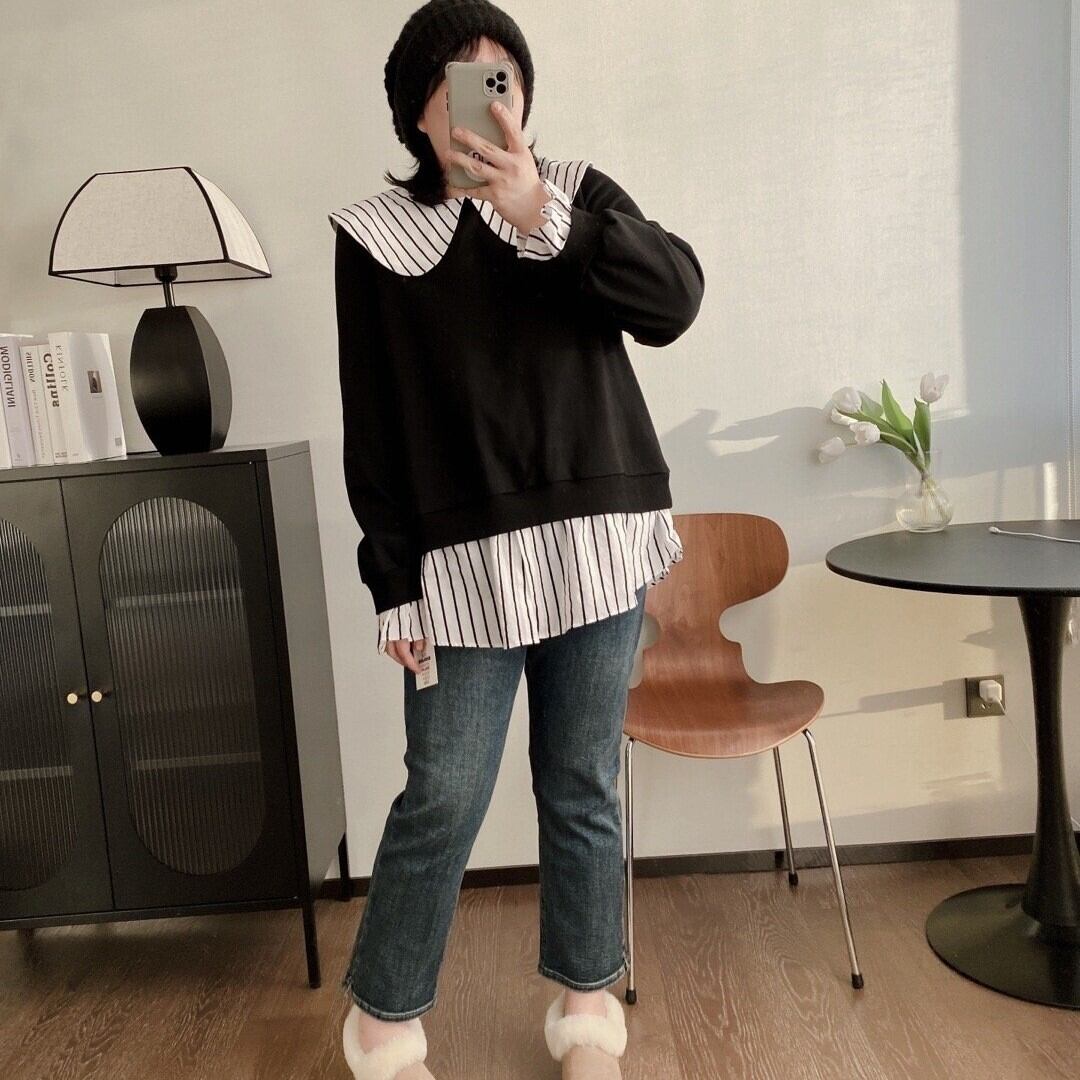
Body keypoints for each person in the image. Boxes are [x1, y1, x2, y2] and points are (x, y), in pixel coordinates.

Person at [329, 2, 705, 1077]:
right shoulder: (372, 235)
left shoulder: (579, 195)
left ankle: (587, 1008)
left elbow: (675, 301)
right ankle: (382, 1022)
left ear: (525, 96)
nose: (484, 102)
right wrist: (391, 583)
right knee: (442, 792)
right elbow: (374, 420)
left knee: (580, 782)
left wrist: (543, 210)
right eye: (457, 83)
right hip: (460, 569)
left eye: (502, 79)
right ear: (416, 111)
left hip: (597, 546)